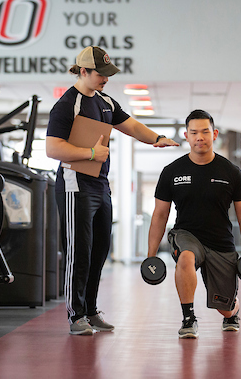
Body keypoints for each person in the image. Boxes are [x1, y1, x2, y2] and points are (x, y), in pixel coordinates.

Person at [46, 46, 179, 335]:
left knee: (99, 251)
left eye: (108, 74)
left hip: (100, 186)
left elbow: (130, 126)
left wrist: (156, 138)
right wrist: (91, 153)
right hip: (75, 185)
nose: (106, 79)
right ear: (83, 71)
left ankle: (91, 310)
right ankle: (75, 314)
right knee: (78, 252)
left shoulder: (105, 101)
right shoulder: (67, 105)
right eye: (100, 74)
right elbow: (53, 148)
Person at [147, 109, 241, 339]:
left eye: (205, 132)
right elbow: (159, 215)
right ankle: (189, 318)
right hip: (187, 234)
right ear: (186, 136)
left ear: (214, 134)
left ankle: (232, 312)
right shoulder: (172, 172)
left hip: (220, 242)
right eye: (194, 132)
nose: (200, 137)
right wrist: (151, 254)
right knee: (186, 256)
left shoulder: (231, 172)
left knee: (224, 306)